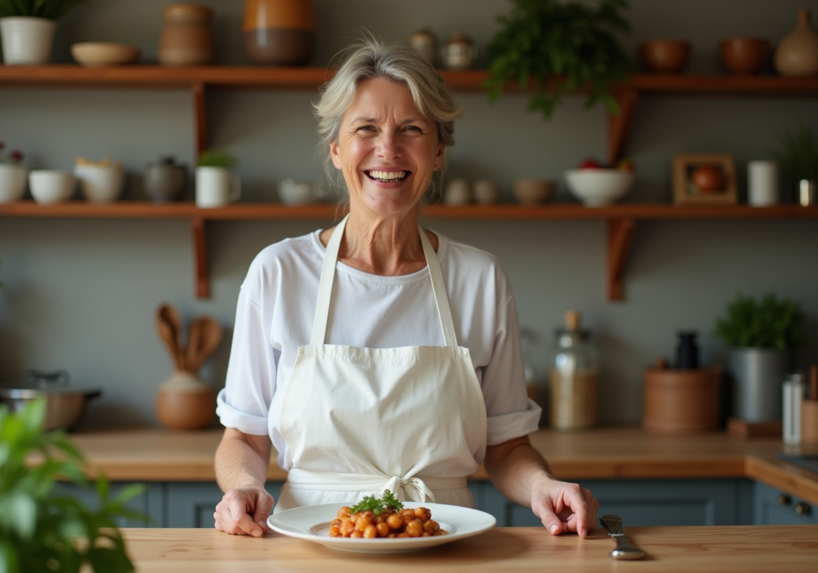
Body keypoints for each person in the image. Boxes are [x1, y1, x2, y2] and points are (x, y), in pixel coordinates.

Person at [213, 38, 599, 539]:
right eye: (366, 129)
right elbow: (244, 435)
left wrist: (543, 485)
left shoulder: (480, 279)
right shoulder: (279, 272)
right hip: (308, 544)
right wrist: (243, 486)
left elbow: (506, 449)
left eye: (411, 130)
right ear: (335, 149)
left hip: (442, 541)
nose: (388, 149)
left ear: (438, 152)